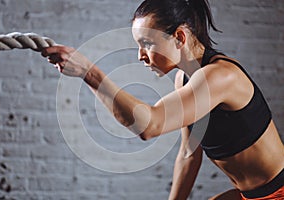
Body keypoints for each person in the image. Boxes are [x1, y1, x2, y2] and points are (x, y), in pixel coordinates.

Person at [41, 0, 284, 199]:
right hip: (250, 195)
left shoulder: (220, 77)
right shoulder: (185, 79)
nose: (140, 56)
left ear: (179, 37)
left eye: (147, 44)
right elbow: (189, 154)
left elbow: (150, 125)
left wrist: (89, 72)